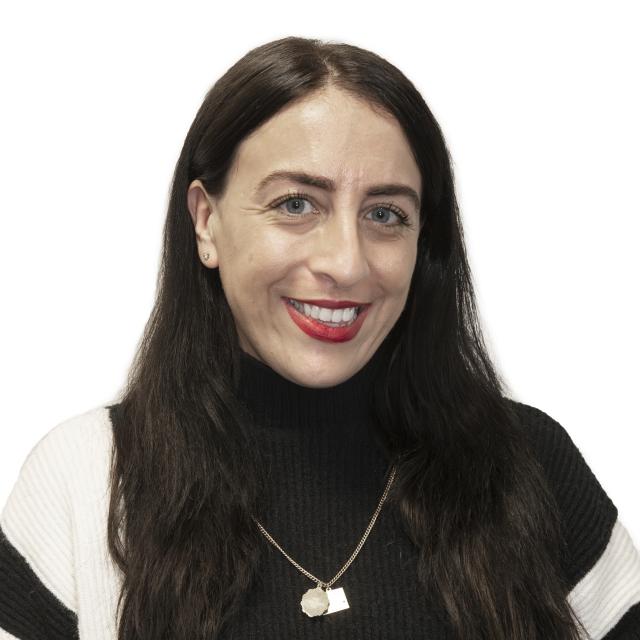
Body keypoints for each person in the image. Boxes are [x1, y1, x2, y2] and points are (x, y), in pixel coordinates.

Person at [1, 35, 639, 640]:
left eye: (385, 214)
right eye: (296, 205)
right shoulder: (83, 481)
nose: (347, 263)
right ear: (206, 222)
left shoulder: (531, 467)